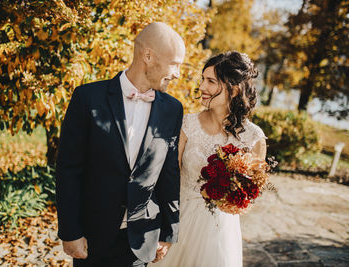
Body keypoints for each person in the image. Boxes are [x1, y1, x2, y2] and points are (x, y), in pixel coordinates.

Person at [55, 22, 186, 267]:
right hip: (92, 236)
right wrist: (69, 231)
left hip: (142, 238)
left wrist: (169, 232)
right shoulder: (87, 98)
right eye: (174, 64)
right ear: (148, 56)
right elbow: (68, 169)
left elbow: (169, 172)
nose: (177, 73)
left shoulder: (173, 109)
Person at [150, 51, 267, 267]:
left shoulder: (254, 138)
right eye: (203, 79)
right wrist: (164, 228)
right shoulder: (187, 124)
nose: (202, 87)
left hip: (220, 231)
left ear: (233, 90)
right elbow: (168, 179)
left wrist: (232, 196)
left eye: (211, 81)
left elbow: (250, 193)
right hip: (179, 220)